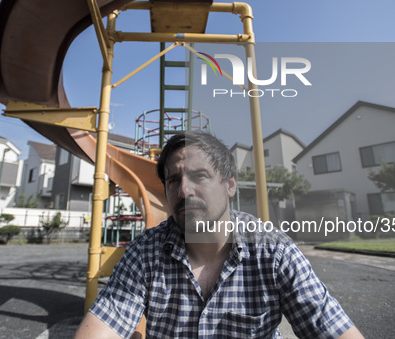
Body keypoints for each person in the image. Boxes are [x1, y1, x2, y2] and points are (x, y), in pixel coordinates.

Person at [75, 131, 364, 338]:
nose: (184, 190)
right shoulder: (145, 253)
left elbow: (330, 326)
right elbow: (104, 325)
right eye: (174, 180)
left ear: (229, 185)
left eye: (199, 176)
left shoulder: (273, 252)